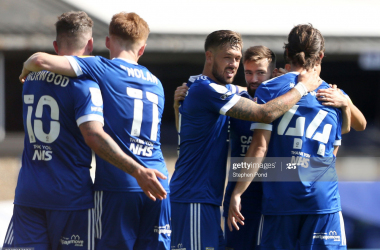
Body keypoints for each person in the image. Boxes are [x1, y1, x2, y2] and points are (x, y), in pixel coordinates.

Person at [3, 11, 162, 250]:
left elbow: (37, 62)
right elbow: (93, 134)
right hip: (72, 197)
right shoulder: (88, 84)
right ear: (91, 44)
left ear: (55, 45)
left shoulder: (31, 80)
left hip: (29, 193)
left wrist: (27, 65)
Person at [169, 30, 320, 249]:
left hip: (207, 199)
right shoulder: (206, 89)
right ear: (209, 56)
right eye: (227, 57)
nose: (233, 64)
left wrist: (276, 83)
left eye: (237, 58)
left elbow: (246, 90)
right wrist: (301, 87)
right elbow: (263, 113)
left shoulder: (204, 87)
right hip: (194, 198)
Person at [228, 24, 350, 249]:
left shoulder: (270, 89)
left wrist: (237, 192)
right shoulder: (335, 95)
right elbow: (340, 141)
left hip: (281, 200)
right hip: (323, 201)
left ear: (287, 53)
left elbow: (259, 148)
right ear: (320, 56)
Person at [222, 45, 277, 250]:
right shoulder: (235, 103)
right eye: (248, 73)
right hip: (239, 197)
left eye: (261, 73)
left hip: (272, 195)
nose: (254, 79)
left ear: (273, 72)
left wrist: (345, 102)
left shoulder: (285, 102)